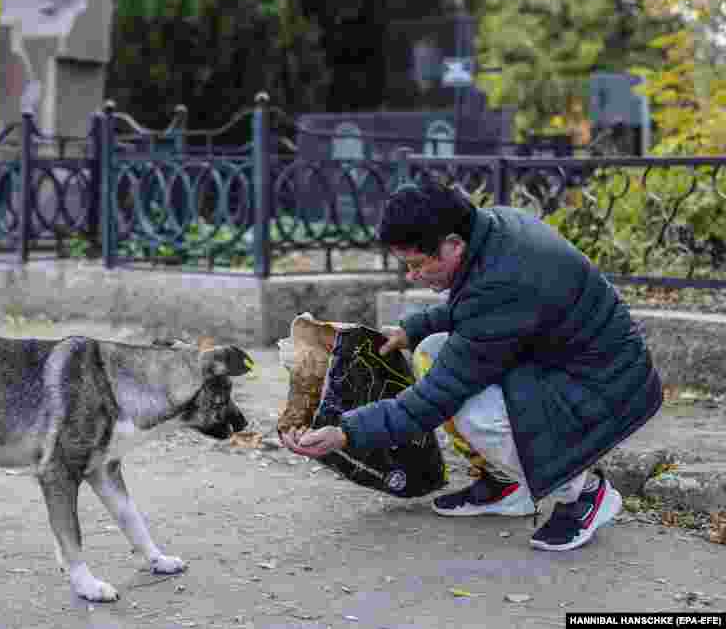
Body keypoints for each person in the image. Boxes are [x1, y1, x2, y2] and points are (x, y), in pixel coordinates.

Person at [281, 178, 663, 551]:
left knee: (473, 411)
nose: (412, 276)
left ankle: (586, 491)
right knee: (431, 348)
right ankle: (508, 484)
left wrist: (345, 432)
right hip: (564, 360)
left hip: (604, 386)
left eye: (417, 265)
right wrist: (413, 329)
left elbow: (435, 398)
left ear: (452, 245)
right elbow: (475, 307)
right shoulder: (490, 229)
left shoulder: (502, 282)